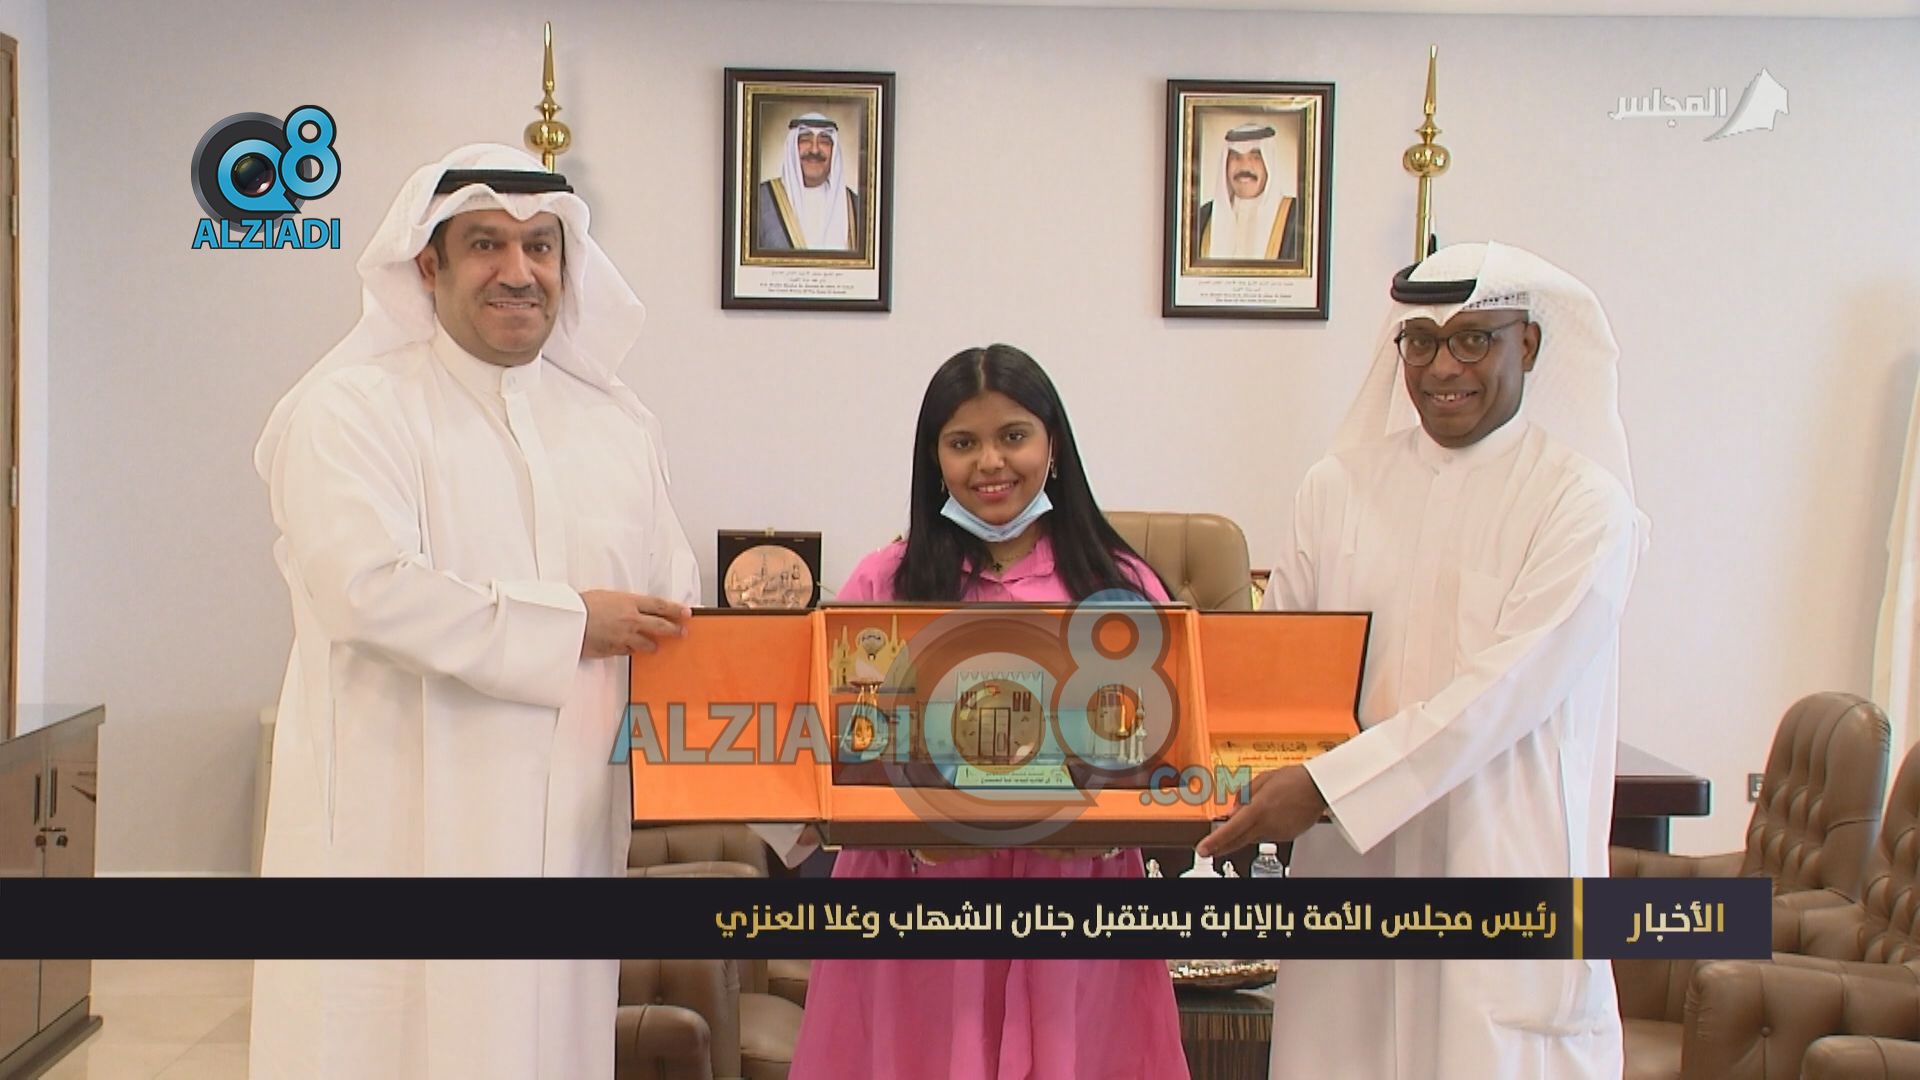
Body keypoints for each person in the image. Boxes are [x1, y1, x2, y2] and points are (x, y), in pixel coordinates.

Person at [248, 144, 700, 1080]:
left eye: (541, 246)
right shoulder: (353, 410)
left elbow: (673, 614)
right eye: (487, 243)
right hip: (400, 832)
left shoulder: (618, 427)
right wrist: (571, 626)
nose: (518, 270)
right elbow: (365, 589)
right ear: (429, 264)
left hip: (569, 833)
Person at [1200, 242, 1646, 1078]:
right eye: (1422, 341)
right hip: (1351, 875)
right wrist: (1218, 768)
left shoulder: (1583, 506)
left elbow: (1500, 695)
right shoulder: (1337, 488)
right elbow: (1281, 673)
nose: (1444, 367)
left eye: (1474, 339)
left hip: (1497, 871)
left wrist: (1325, 786)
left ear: (1528, 345)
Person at [785, 344, 1190, 1079]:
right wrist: (906, 822)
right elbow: (835, 749)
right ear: (934, 459)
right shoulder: (884, 583)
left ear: (1053, 445)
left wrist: (1102, 828)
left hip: (1075, 900)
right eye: (963, 443)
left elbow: (1163, 754)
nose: (990, 463)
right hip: (916, 902)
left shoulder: (1123, 586)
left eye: (1013, 436)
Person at [754, 111, 862, 252]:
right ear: (792, 147)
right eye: (805, 139)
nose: (815, 150)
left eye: (824, 141)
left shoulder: (856, 207)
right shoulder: (759, 201)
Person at [1192, 122, 1299, 264]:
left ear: (1268, 163)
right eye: (1235, 157)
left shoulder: (1296, 217)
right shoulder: (1203, 217)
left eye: (1255, 157)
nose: (1244, 166)